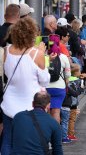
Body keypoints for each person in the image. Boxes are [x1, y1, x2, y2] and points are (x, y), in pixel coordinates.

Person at [1, 17, 50, 155]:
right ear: (32, 34)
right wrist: (42, 53)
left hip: (9, 105)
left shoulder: (6, 50)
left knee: (8, 141)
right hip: (30, 106)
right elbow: (45, 81)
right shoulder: (36, 54)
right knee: (29, 144)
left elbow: (6, 73)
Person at [46, 34, 71, 123]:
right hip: (59, 88)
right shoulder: (63, 57)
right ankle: (56, 135)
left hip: (46, 88)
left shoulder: (44, 56)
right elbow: (67, 76)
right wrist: (66, 87)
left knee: (47, 112)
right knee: (56, 111)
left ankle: (47, 135)